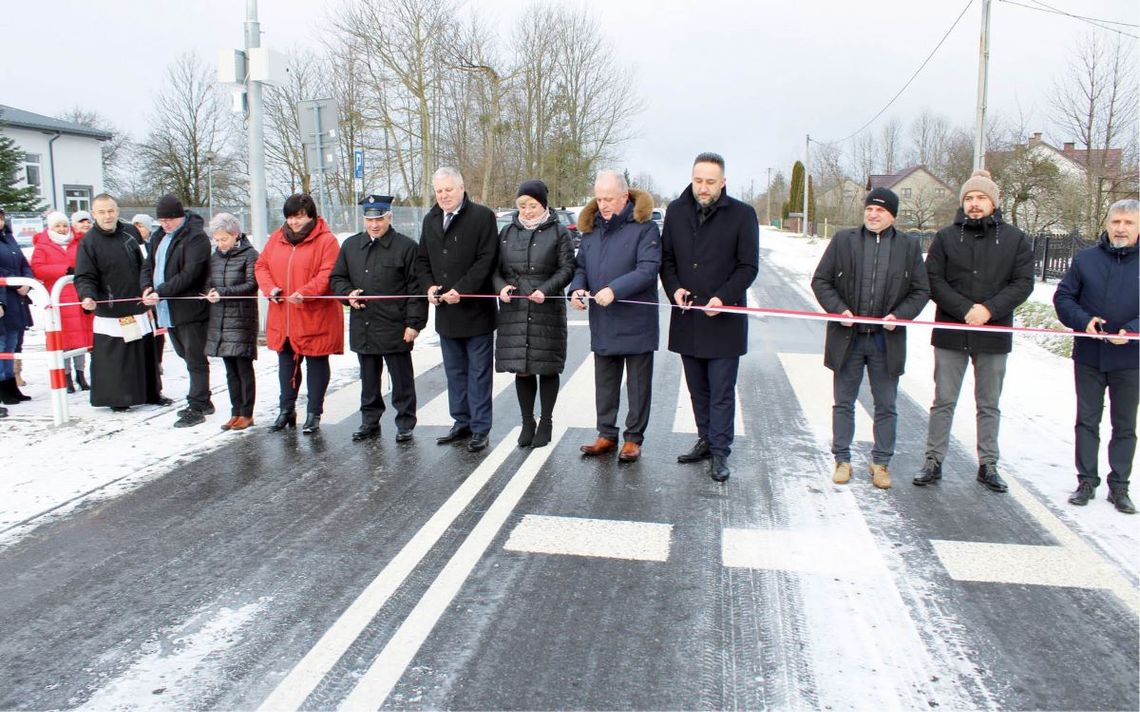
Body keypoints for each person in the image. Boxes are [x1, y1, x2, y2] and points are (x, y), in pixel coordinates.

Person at [914, 169, 1034, 493]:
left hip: (993, 334)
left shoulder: (1015, 240)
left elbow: (1023, 283)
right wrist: (965, 309)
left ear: (993, 202)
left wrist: (989, 310)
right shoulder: (946, 238)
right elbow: (933, 280)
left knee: (989, 403)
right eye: (969, 198)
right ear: (963, 202)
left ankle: (989, 464)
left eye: (981, 198)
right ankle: (933, 461)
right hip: (952, 331)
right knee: (943, 400)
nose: (975, 204)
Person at [811, 188, 930, 489]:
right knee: (844, 403)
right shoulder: (843, 241)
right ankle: (842, 459)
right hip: (848, 339)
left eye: (880, 210)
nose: (873, 214)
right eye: (869, 209)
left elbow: (921, 290)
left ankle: (881, 463)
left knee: (886, 405)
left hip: (884, 342)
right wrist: (839, 310)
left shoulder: (908, 246)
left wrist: (900, 315)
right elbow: (821, 281)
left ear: (893, 215)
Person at [661, 153, 759, 482]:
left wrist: (723, 297)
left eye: (710, 182)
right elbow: (668, 260)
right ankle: (705, 438)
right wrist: (674, 290)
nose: (703, 188)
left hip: (724, 319)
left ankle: (720, 451)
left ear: (723, 182)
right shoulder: (676, 211)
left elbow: (748, 266)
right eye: (698, 180)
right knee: (697, 388)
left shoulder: (742, 215)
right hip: (688, 316)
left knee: (721, 390)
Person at [569, 170, 662, 463]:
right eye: (599, 198)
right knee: (605, 383)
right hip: (604, 320)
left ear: (624, 196)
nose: (603, 204)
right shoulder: (591, 229)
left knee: (637, 385)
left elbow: (648, 270)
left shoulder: (645, 228)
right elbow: (581, 266)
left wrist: (615, 289)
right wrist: (577, 289)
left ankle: (633, 439)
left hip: (636, 320)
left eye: (609, 198)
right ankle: (606, 434)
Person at [1054, 198, 1139, 515]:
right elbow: (1063, 297)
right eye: (1116, 221)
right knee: (1087, 421)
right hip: (1089, 354)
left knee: (1125, 424)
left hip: (1130, 360)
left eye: (1128, 223)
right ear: (1107, 223)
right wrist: (1083, 320)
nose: (1121, 228)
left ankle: (1120, 486)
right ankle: (1086, 481)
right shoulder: (1086, 259)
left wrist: (1131, 330)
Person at [416, 167, 499, 453]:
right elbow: (422, 260)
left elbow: (486, 260)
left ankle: (479, 428)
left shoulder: (482, 217)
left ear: (461, 188)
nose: (443, 196)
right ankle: (461, 421)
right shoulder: (430, 220)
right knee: (455, 372)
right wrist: (429, 286)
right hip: (446, 313)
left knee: (478, 373)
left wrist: (461, 290)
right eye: (439, 191)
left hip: (476, 311)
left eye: (448, 190)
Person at [331, 194, 427, 443]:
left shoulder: (406, 247)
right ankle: (369, 421)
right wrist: (347, 294)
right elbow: (337, 279)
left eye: (380, 219)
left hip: (395, 326)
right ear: (364, 219)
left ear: (389, 217)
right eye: (370, 219)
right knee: (368, 379)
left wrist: (414, 324)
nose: (375, 224)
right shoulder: (351, 246)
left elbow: (416, 289)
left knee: (401, 379)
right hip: (364, 323)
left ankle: (405, 422)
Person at [493, 179, 576, 448]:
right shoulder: (506, 232)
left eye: (532, 205)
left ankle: (547, 421)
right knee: (523, 369)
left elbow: (567, 269)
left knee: (546, 367)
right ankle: (527, 421)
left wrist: (547, 289)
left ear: (543, 205)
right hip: (515, 308)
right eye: (522, 205)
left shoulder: (559, 231)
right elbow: (494, 270)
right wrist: (501, 287)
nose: (527, 210)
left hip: (545, 307)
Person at [255, 193, 344, 434]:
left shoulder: (326, 241)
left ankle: (314, 412)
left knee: (316, 362)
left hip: (313, 313)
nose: (294, 222)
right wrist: (269, 288)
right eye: (290, 217)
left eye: (299, 217)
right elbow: (261, 266)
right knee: (286, 364)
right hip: (284, 315)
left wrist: (306, 292)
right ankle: (287, 409)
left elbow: (328, 273)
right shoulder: (276, 238)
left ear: (311, 216)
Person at [73, 194, 169, 411]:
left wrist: (149, 287)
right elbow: (84, 276)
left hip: (138, 304)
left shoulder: (131, 232)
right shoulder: (89, 242)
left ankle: (151, 392)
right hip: (111, 308)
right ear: (94, 214)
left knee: (145, 351)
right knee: (117, 357)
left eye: (110, 211)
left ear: (117, 211)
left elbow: (145, 263)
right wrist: (87, 296)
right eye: (102, 212)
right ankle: (118, 398)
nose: (107, 216)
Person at [143, 194, 213, 427]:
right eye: (161, 220)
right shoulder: (158, 237)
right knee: (184, 354)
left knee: (195, 357)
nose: (165, 224)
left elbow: (190, 273)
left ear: (180, 216)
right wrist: (146, 287)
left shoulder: (195, 237)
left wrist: (161, 291)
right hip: (166, 308)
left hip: (189, 308)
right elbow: (147, 265)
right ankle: (203, 399)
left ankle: (198, 403)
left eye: (169, 219)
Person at [204, 213, 259, 431]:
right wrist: (209, 292)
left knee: (243, 368)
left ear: (235, 235)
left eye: (223, 239)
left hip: (242, 318)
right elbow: (209, 281)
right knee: (230, 370)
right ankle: (235, 411)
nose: (220, 244)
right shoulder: (215, 257)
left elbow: (251, 284)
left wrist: (224, 292)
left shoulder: (250, 255)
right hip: (220, 319)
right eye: (216, 240)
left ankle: (247, 412)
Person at [31, 212, 95, 393]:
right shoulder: (42, 246)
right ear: (51, 228)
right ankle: (66, 376)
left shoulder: (78, 242)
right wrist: (65, 270)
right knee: (64, 339)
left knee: (82, 337)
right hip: (58, 297)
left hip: (78, 295)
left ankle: (80, 374)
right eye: (57, 226)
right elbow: (38, 268)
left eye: (64, 225)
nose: (62, 229)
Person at [0, 207, 34, 405]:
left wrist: (27, 280)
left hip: (16, 299)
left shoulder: (9, 239)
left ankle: (11, 384)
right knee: (2, 344)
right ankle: (3, 384)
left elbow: (24, 262)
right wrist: (16, 281)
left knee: (13, 342)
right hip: (4, 295)